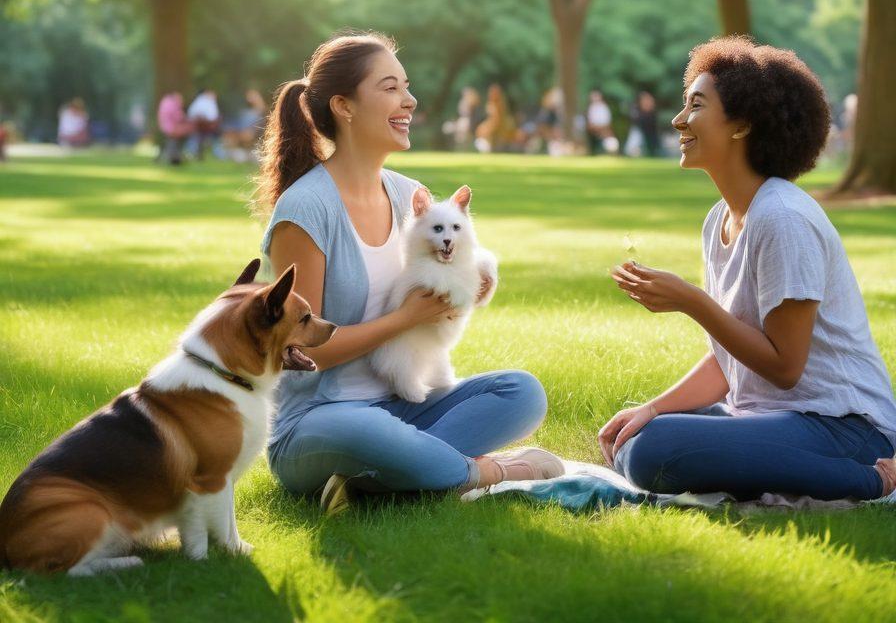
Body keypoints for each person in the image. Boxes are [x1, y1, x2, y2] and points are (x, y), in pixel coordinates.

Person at [257, 32, 561, 513]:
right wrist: (404, 319)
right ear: (345, 106)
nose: (410, 100)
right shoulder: (306, 210)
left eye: (406, 86)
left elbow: (436, 285)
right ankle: (488, 471)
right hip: (321, 420)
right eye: (390, 87)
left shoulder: (408, 196)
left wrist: (470, 285)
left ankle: (383, 478)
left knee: (521, 392)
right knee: (367, 431)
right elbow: (298, 350)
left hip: (407, 404)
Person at [599, 36, 896, 502]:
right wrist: (652, 407)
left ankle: (870, 480)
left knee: (653, 453)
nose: (679, 120)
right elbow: (729, 358)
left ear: (741, 125)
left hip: (844, 428)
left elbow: (784, 366)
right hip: (766, 416)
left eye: (696, 106)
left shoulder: (783, 219)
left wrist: (692, 301)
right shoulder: (719, 219)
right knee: (635, 435)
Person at [156, 91, 193, 165]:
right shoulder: (174, 104)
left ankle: (174, 154)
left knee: (173, 140)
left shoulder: (165, 102)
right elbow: (179, 117)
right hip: (171, 128)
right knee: (190, 129)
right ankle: (178, 155)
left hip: (164, 127)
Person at [186, 87, 221, 159]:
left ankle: (191, 152)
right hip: (205, 126)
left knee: (197, 138)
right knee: (210, 137)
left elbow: (191, 113)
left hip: (200, 126)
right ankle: (217, 153)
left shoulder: (199, 101)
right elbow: (213, 116)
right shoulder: (207, 101)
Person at [585, 90, 614, 156]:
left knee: (607, 133)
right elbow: (590, 122)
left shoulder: (604, 107)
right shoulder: (591, 107)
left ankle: (606, 151)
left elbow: (607, 123)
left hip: (603, 128)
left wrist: (600, 128)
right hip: (593, 129)